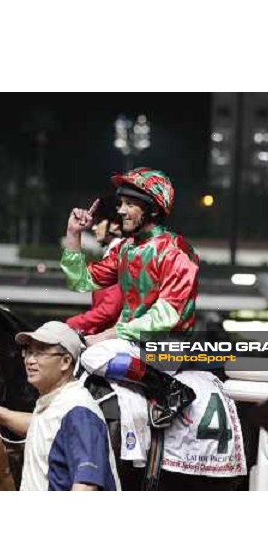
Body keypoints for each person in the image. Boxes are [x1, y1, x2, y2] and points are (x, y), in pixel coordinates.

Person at [60, 167, 199, 427]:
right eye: (121, 203)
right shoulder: (126, 249)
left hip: (166, 345)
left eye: (130, 204)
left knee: (93, 356)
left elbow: (167, 314)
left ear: (153, 210)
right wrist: (73, 234)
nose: (121, 210)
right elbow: (81, 280)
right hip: (133, 342)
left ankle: (171, 391)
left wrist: (110, 334)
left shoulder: (176, 250)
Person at [0, 321, 120, 491]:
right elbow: (37, 425)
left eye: (40, 353)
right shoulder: (57, 403)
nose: (30, 360)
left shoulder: (80, 413)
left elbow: (86, 486)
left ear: (65, 362)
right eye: (28, 352)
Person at [66, 195, 124, 336]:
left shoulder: (122, 254)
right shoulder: (115, 254)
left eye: (98, 222)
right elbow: (77, 278)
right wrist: (73, 232)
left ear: (115, 224)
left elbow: (108, 310)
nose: (94, 228)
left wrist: (70, 324)